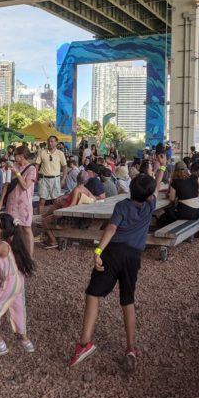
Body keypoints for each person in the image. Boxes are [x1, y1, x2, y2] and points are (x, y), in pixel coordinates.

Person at [68, 154, 168, 370]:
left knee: (93, 294)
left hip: (113, 253)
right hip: (133, 257)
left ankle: (84, 344)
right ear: (149, 195)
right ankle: (131, 347)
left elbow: (111, 229)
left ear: (130, 189)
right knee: (127, 301)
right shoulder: (150, 206)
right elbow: (157, 186)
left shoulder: (122, 206)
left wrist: (98, 250)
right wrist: (162, 167)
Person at [0, 212, 36, 358]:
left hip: (10, 284)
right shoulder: (12, 240)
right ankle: (25, 340)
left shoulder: (2, 246)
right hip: (19, 281)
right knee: (18, 309)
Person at [0, 146, 37, 259]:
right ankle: (11, 252)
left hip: (24, 203)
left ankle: (29, 255)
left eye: (15, 154)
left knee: (26, 228)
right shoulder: (13, 166)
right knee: (10, 227)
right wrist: (1, 201)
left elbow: (25, 186)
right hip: (11, 202)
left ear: (21, 156)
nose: (13, 156)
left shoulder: (32, 169)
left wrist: (18, 173)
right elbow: (6, 185)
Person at [158, 161, 199, 227]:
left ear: (175, 171)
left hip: (185, 212)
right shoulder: (194, 178)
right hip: (197, 212)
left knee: (164, 215)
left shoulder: (175, 182)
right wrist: (193, 180)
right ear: (187, 170)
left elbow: (171, 199)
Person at [37, 135, 67, 217]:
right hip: (43, 179)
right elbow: (37, 165)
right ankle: (40, 218)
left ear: (56, 143)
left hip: (55, 179)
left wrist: (63, 179)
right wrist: (35, 177)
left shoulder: (60, 153)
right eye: (49, 141)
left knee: (56, 201)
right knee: (42, 200)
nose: (50, 143)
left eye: (52, 141)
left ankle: (55, 219)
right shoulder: (42, 152)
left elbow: (64, 166)